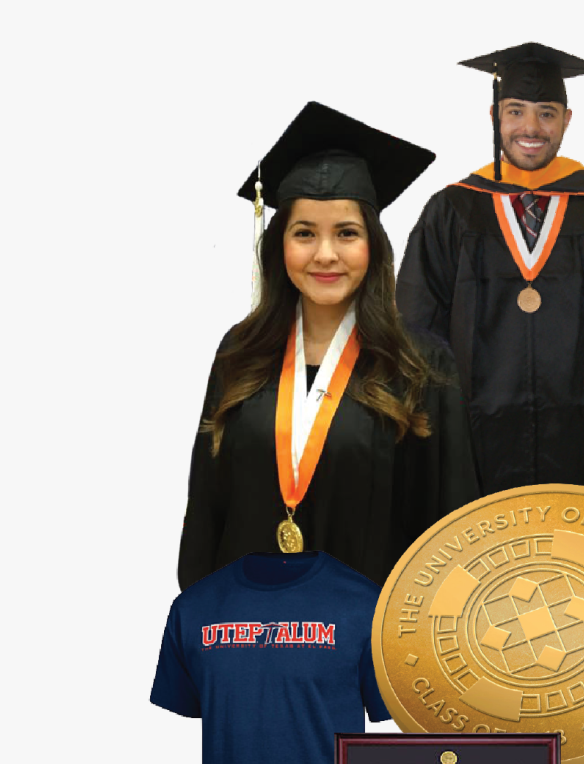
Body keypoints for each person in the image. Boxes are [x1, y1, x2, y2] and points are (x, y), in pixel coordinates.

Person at [396, 43, 584, 539]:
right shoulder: (453, 209)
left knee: (580, 579)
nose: (531, 129)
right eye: (516, 112)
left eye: (546, 114)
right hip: (475, 440)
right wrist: (423, 429)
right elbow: (416, 325)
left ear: (566, 119)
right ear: (494, 116)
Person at [178, 102, 479, 590]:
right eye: (304, 234)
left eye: (346, 233)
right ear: (280, 245)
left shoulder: (420, 366)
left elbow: (450, 529)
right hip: (249, 636)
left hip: (368, 645)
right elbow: (207, 509)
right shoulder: (241, 352)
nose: (325, 254)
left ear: (373, 246)